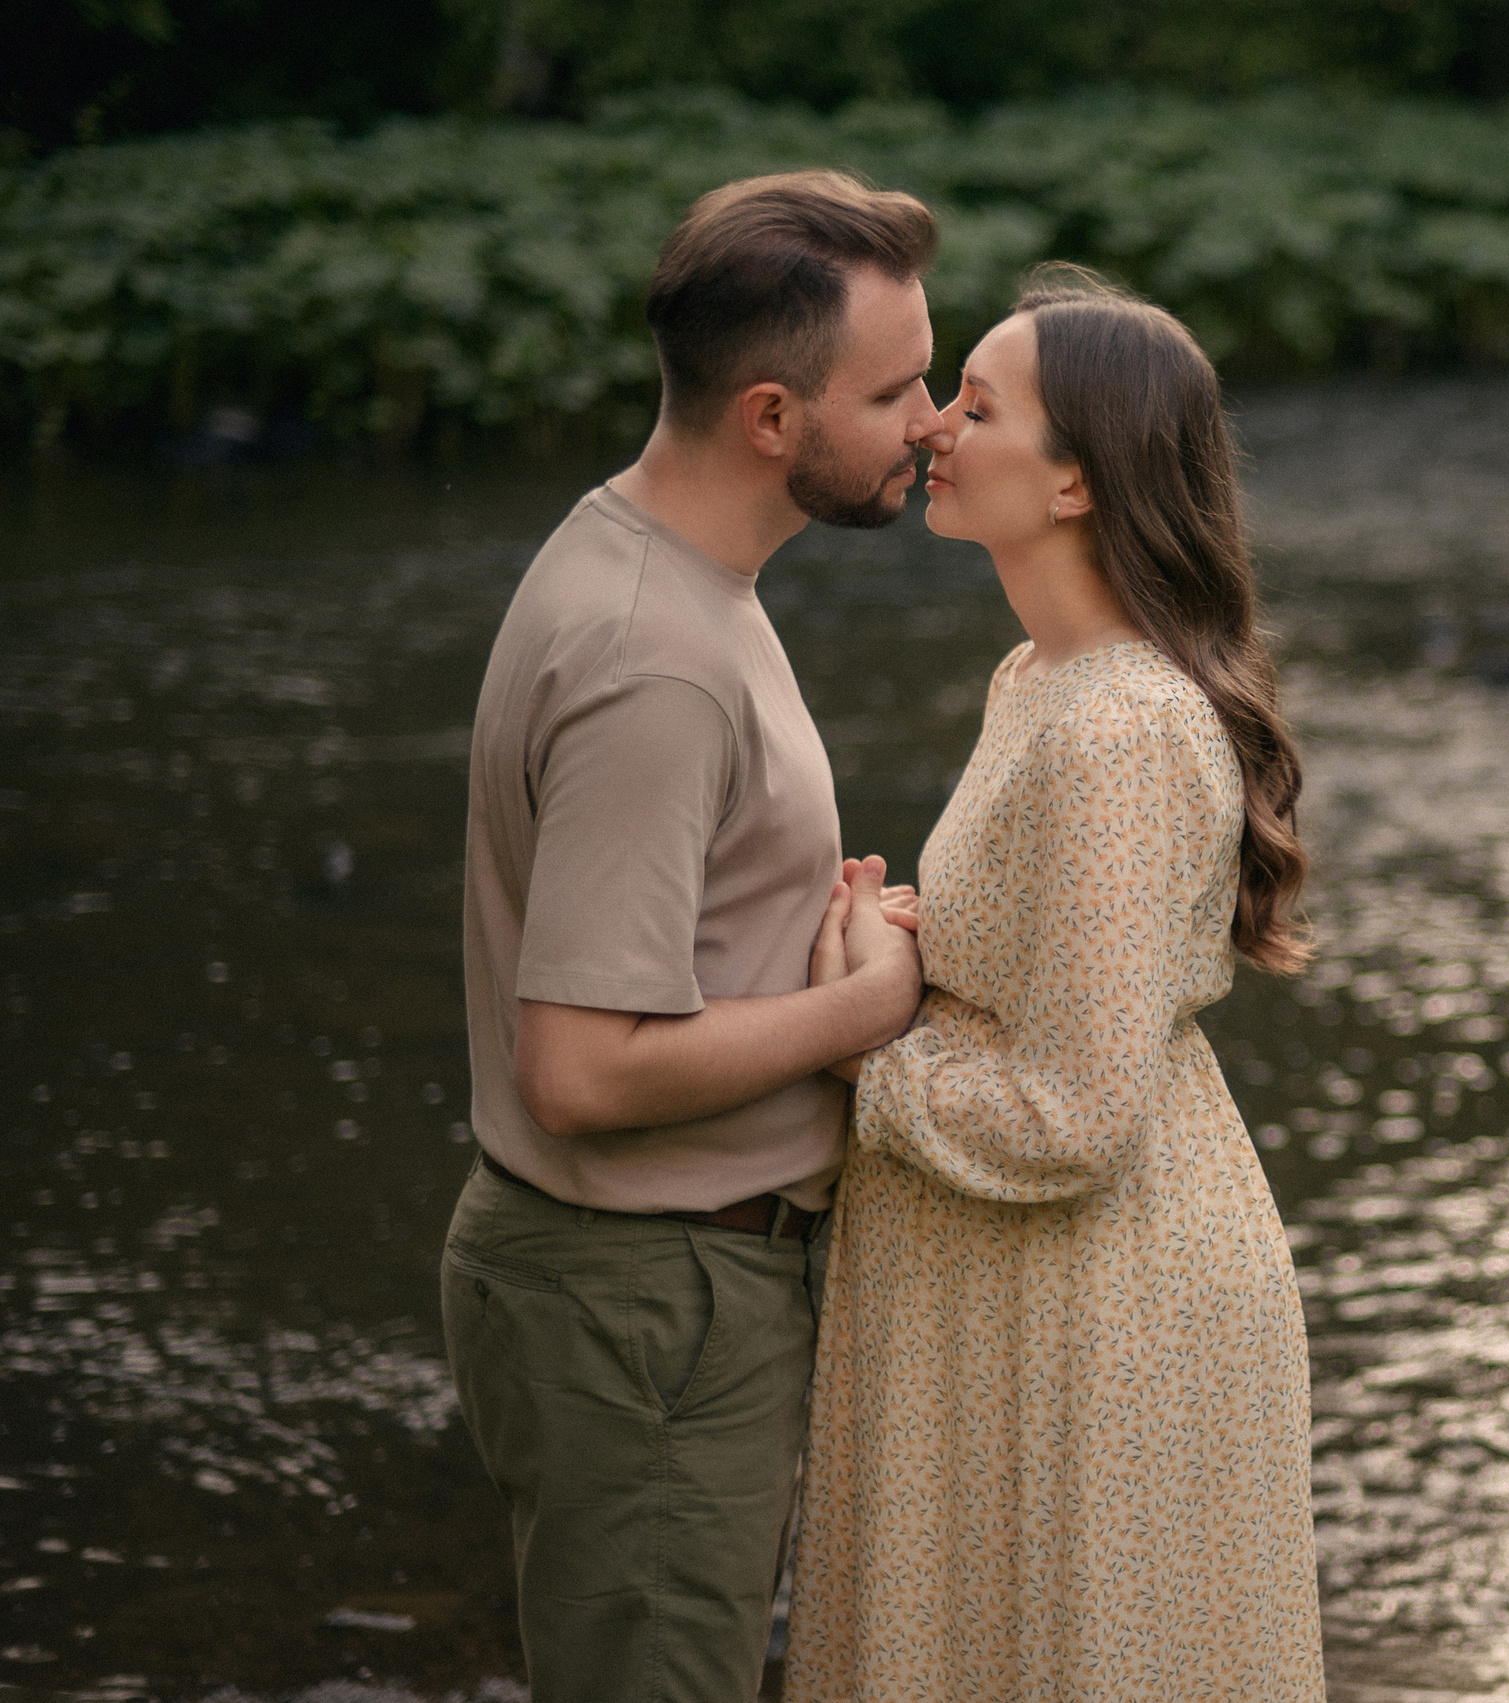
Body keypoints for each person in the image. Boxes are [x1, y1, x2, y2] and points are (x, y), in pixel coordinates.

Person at [785, 269, 1326, 1701]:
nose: (934, 429)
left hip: (1098, 1306)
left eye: (978, 404)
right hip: (1009, 1282)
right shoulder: (1036, 678)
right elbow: (1037, 956)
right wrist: (908, 938)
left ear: (1079, 479)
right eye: (944, 396)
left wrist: (863, 1038)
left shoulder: (1122, 730)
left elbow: (1078, 1113)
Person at [441, 170, 935, 1703]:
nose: (933, 421)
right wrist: (874, 1005)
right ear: (773, 419)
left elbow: (668, 931)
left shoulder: (666, 568)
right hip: (648, 1306)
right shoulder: (657, 658)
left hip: (655, 1292)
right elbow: (582, 1068)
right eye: (901, 388)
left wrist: (822, 922)